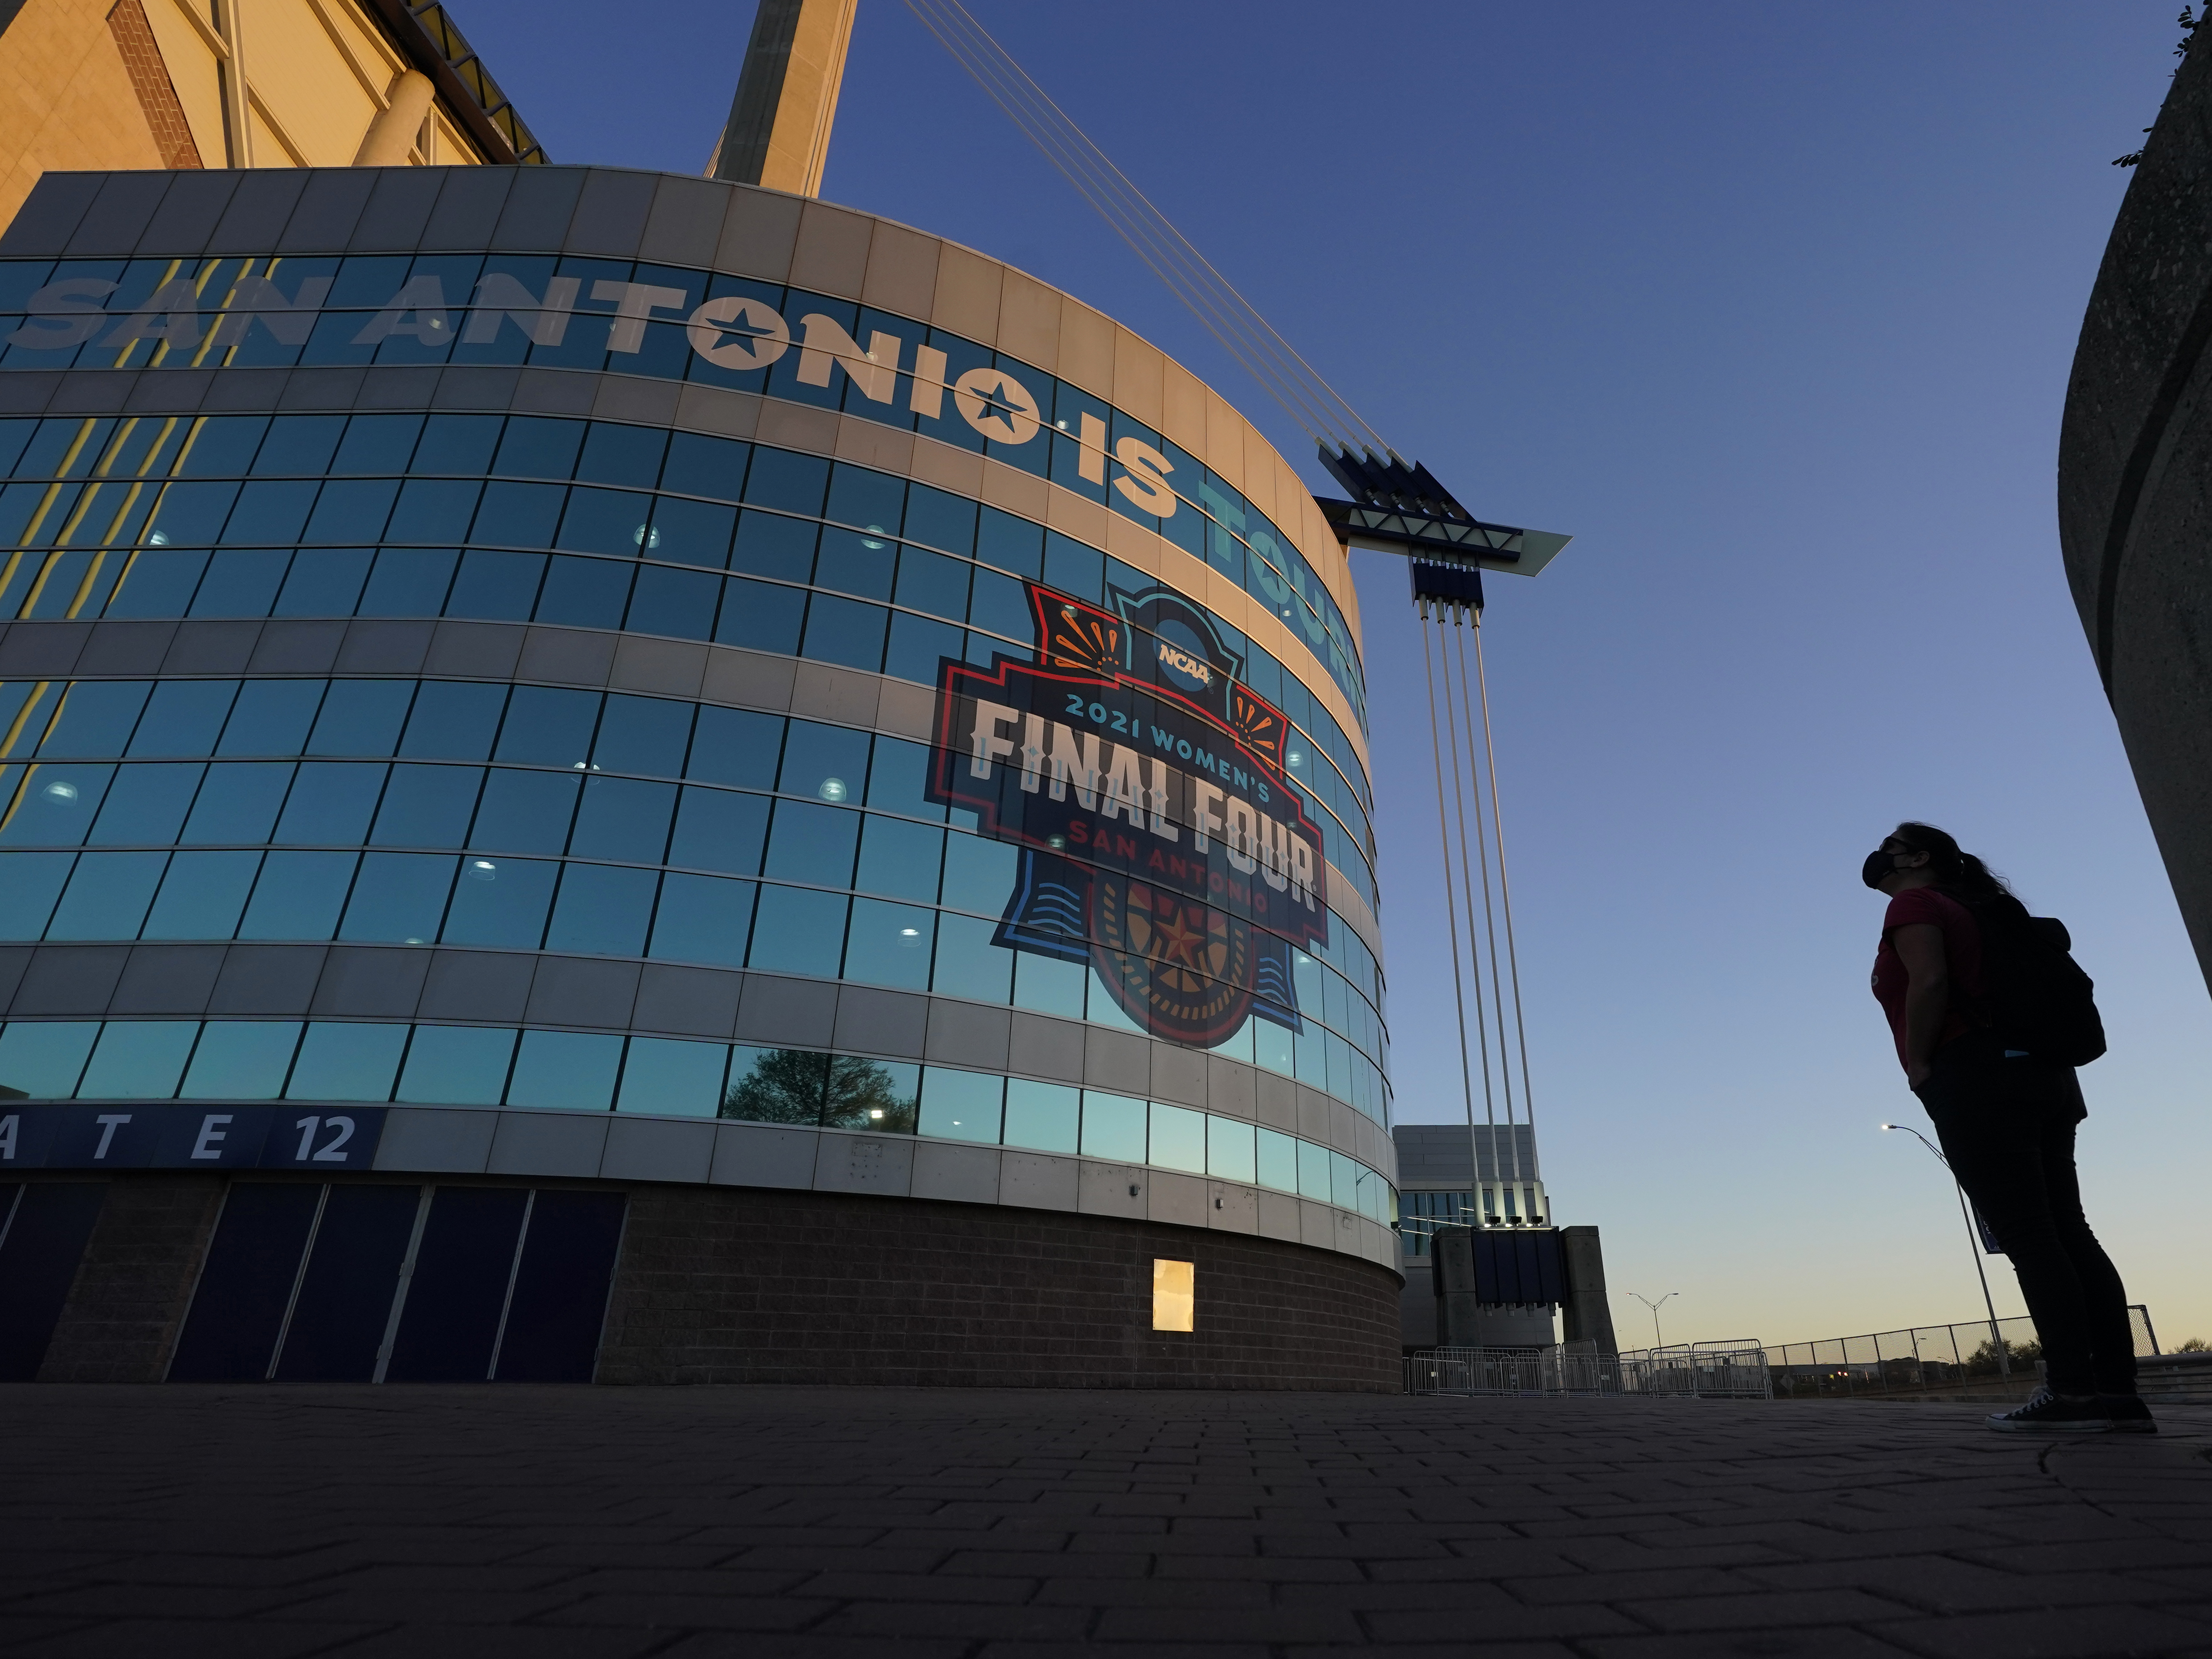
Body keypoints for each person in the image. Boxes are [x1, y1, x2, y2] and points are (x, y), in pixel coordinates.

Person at [1864, 822, 2150, 1434]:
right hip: (2044, 1076)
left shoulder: (1914, 903)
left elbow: (1930, 981)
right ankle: (2117, 1396)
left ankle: (2072, 1395)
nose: (1876, 857)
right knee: (2069, 1229)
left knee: (2029, 1235)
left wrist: (1918, 1063)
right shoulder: (1984, 906)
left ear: (1916, 858)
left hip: (1975, 1076)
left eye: (1890, 847)